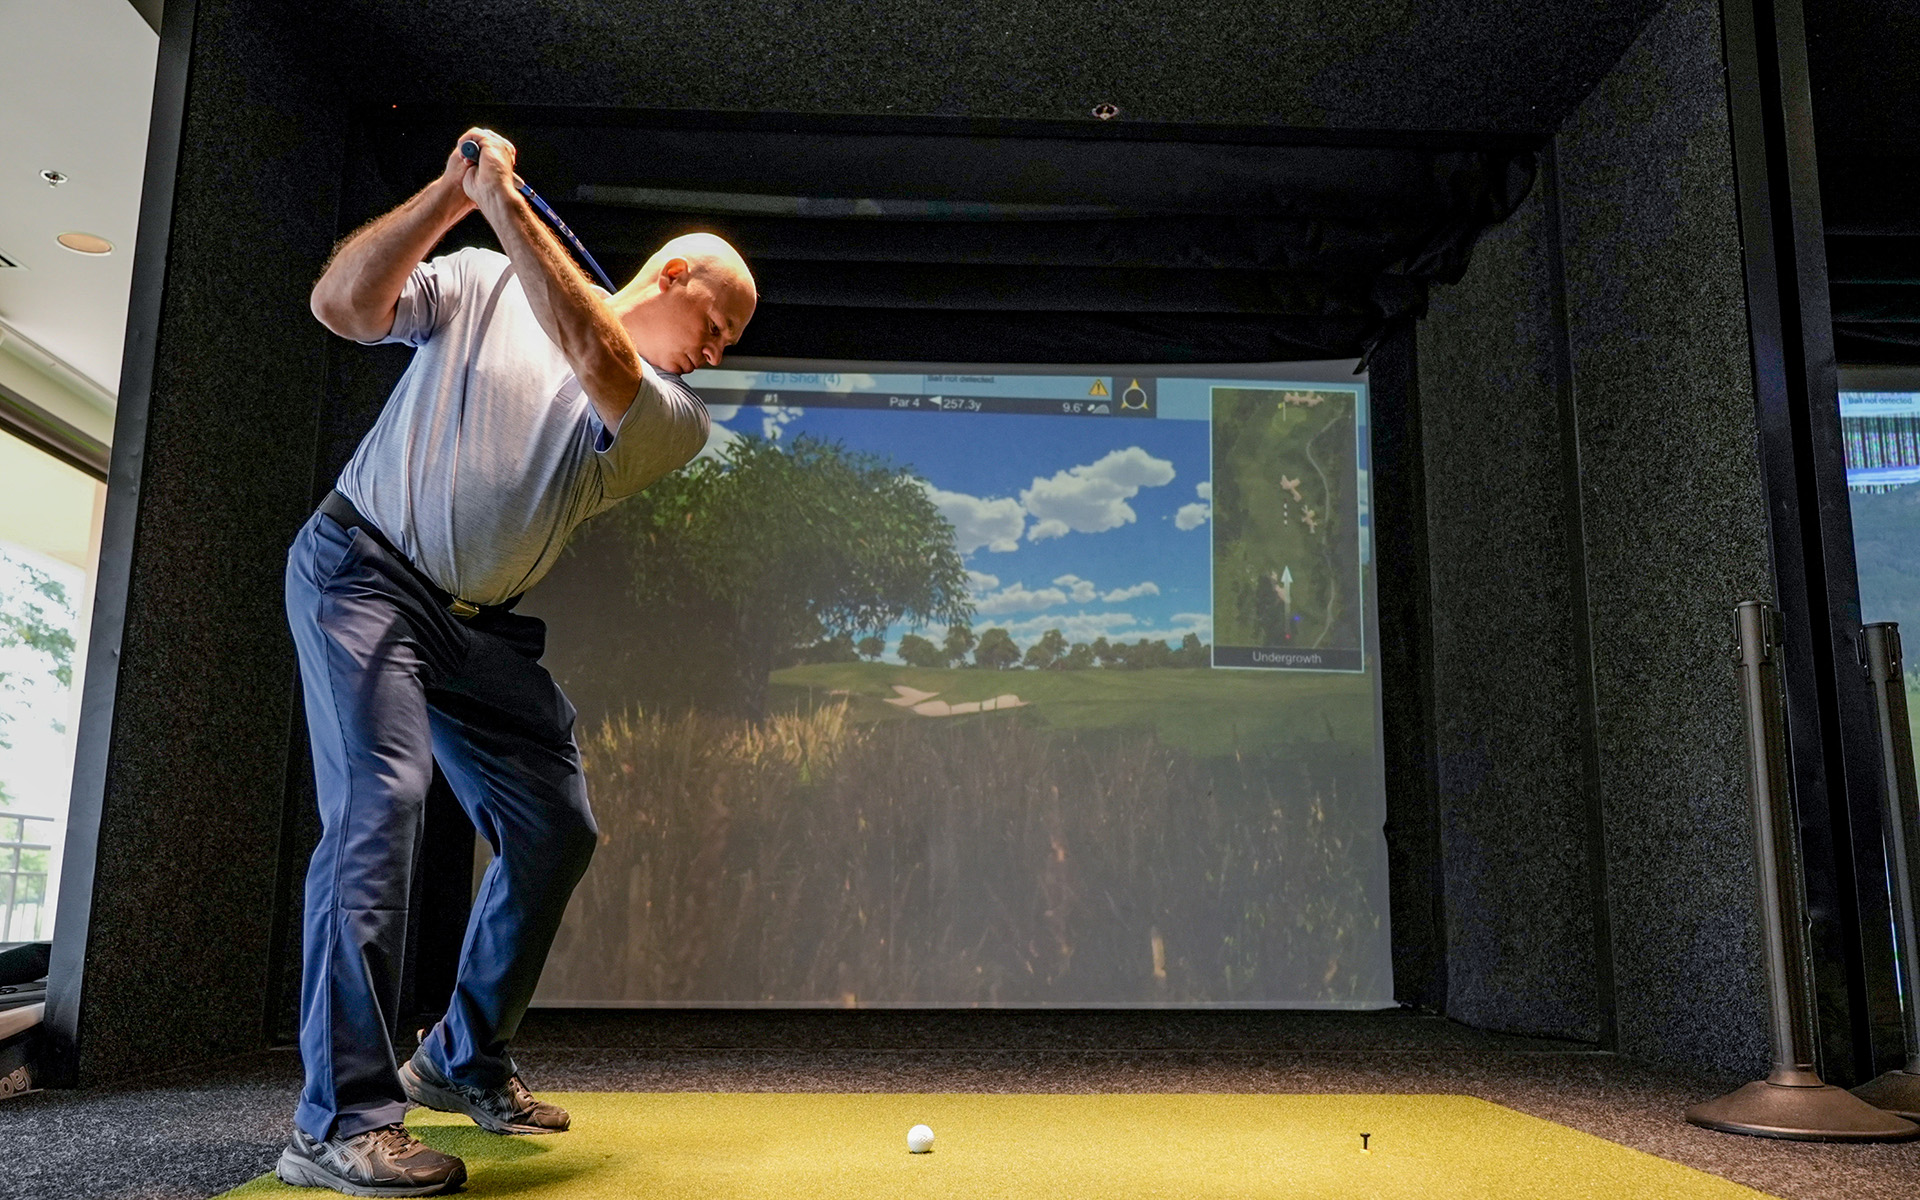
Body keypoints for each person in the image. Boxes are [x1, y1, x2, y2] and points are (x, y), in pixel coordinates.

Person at [275, 127, 756, 1196]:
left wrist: (502, 203)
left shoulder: (671, 416)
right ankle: (338, 1123)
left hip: (477, 629)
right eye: (718, 325)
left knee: (555, 827)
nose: (718, 353)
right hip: (363, 574)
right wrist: (451, 197)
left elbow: (594, 354)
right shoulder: (480, 280)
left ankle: (461, 1055)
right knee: (379, 809)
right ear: (674, 275)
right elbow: (341, 307)